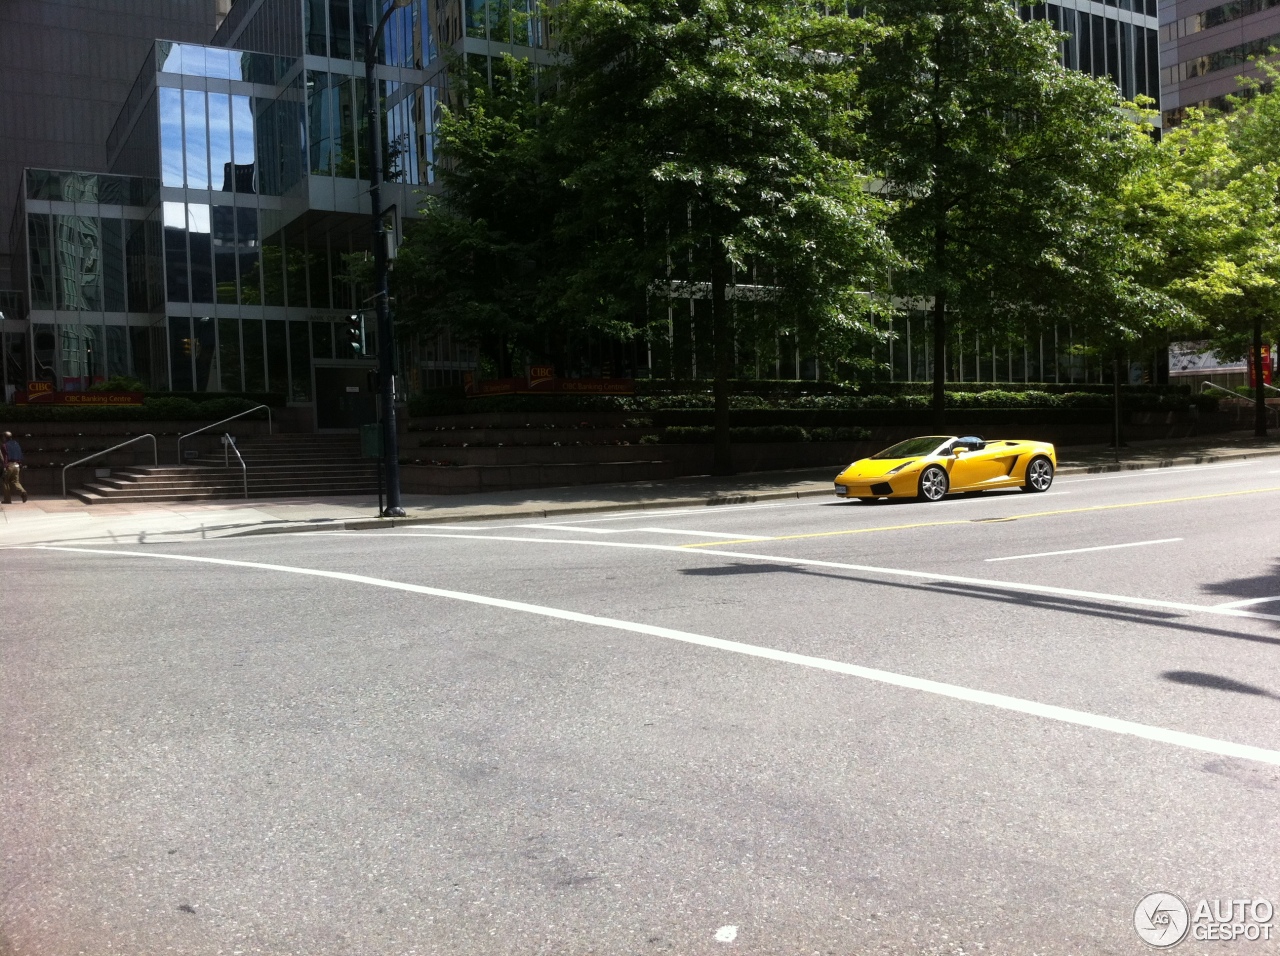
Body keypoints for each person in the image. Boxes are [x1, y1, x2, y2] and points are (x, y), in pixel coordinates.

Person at [2, 431, 27, 504]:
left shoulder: (4, 445)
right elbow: (20, 454)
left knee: (5, 482)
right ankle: (23, 491)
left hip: (9, 465)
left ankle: (7, 500)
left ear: (5, 437)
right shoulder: (16, 444)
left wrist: (4, 466)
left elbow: (5, 456)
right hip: (17, 465)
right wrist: (20, 464)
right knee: (16, 481)